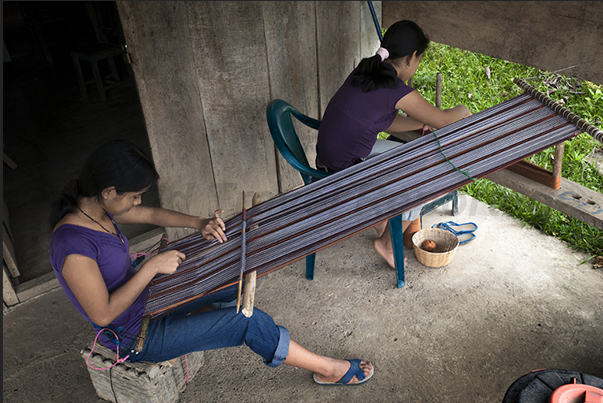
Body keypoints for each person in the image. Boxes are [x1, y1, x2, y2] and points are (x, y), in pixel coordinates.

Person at [49, 139, 373, 385]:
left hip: (149, 300)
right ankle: (330, 370)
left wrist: (198, 222)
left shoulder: (99, 208)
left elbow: (149, 214)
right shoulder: (73, 246)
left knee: (231, 281)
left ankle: (204, 322)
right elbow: (102, 313)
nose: (138, 202)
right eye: (134, 195)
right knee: (246, 320)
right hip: (133, 334)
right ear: (108, 191)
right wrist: (150, 267)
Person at [315, 20, 472, 268]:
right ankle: (388, 242)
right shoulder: (396, 90)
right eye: (419, 60)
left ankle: (387, 221)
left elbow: (383, 122)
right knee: (427, 175)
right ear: (410, 58)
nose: (417, 66)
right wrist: (463, 109)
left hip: (331, 152)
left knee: (415, 156)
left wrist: (418, 124)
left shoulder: (367, 71)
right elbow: (444, 120)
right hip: (346, 163)